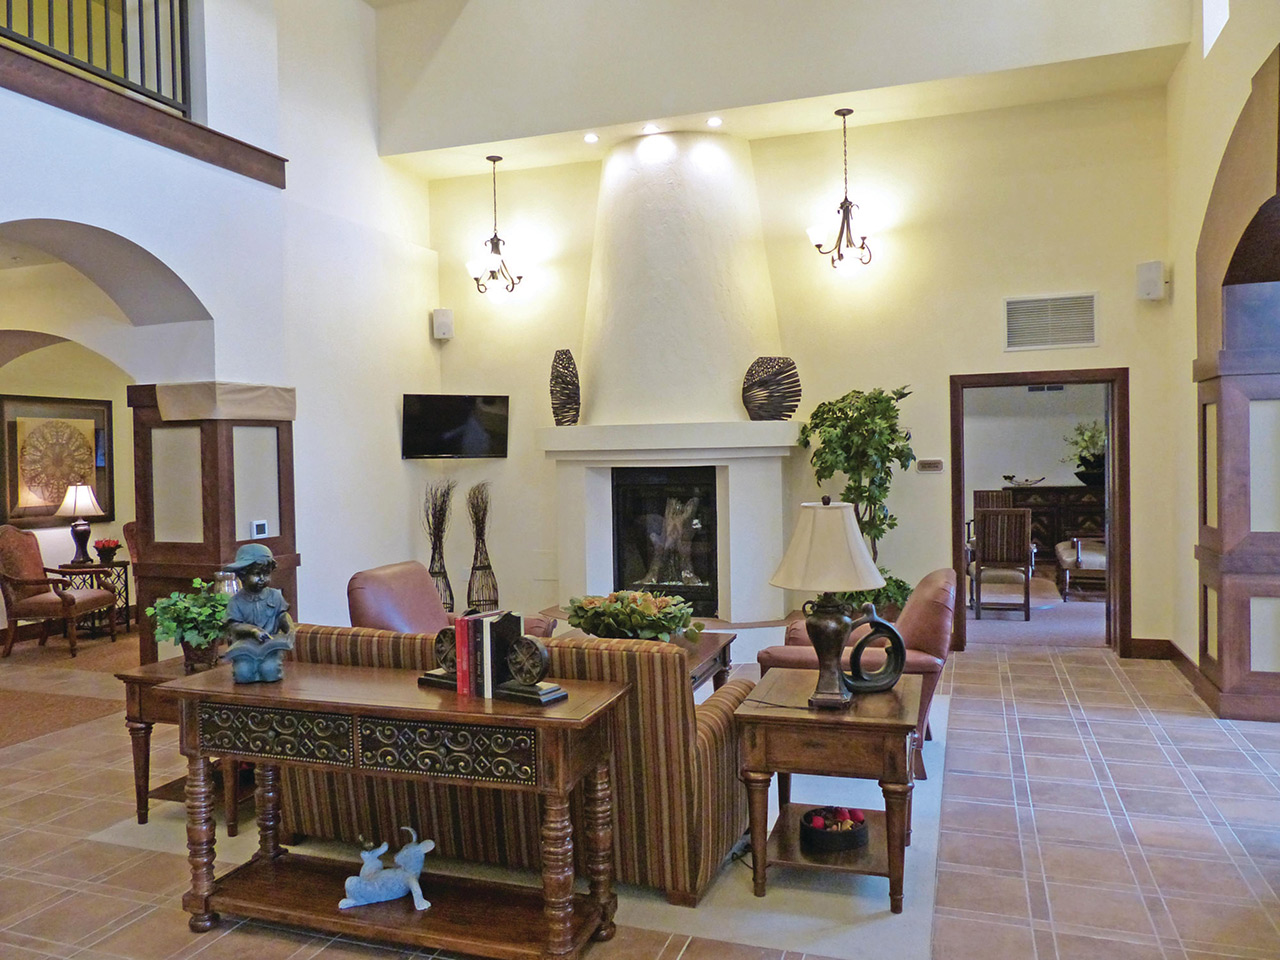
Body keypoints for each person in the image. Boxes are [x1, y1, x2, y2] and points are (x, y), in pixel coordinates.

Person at [223, 542, 293, 642]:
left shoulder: (275, 596)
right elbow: (234, 626)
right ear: (242, 575)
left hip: (270, 647)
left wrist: (290, 630)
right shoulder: (236, 601)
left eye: (266, 574)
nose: (262, 578)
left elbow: (282, 616)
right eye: (257, 574)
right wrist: (253, 630)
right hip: (245, 649)